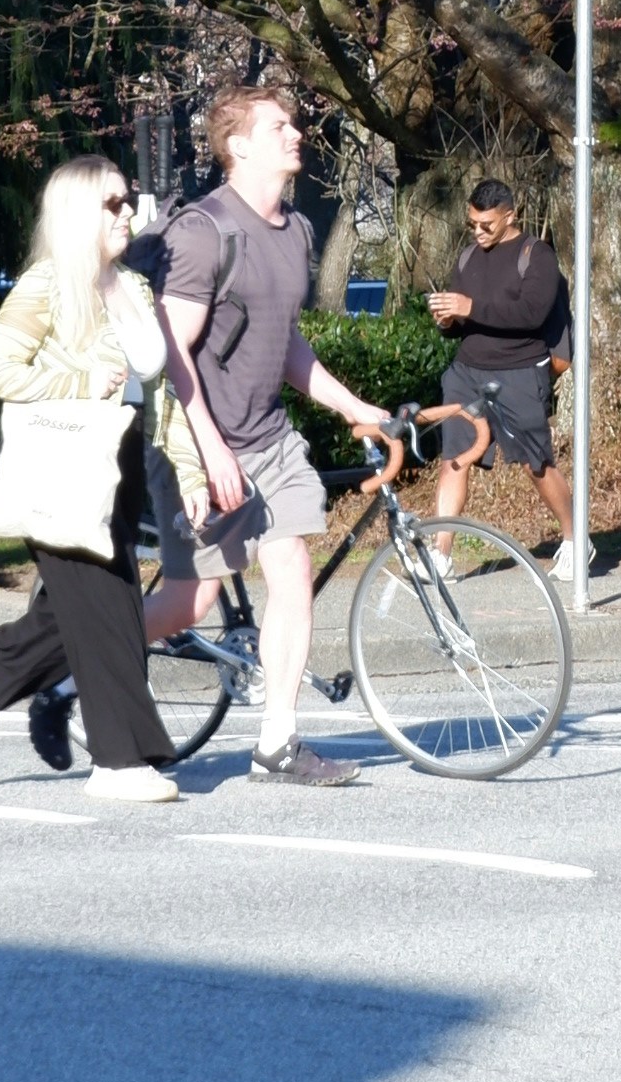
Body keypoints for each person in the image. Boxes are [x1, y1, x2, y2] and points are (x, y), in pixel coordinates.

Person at [145, 85, 402, 788]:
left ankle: (278, 742)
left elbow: (286, 346)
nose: (296, 134)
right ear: (239, 146)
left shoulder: (295, 233)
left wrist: (355, 407)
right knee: (186, 605)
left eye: (293, 122)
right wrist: (211, 450)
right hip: (200, 443)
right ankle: (82, 658)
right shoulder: (202, 233)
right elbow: (172, 354)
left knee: (291, 568)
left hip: (270, 435)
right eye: (279, 126)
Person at [0, 159, 185, 803]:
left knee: (66, 618)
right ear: (77, 213)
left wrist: (184, 469)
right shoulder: (47, 285)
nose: (127, 211)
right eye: (112, 203)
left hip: (122, 466)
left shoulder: (135, 286)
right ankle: (119, 762)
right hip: (65, 465)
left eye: (128, 200)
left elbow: (160, 389)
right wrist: (76, 383)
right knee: (110, 613)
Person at [427, 174, 579, 576]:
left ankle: (574, 540)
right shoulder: (467, 258)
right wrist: (446, 319)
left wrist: (469, 306)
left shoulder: (537, 255)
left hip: (519, 371)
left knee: (536, 463)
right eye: (471, 224)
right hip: (467, 372)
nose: (478, 232)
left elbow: (531, 314)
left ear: (510, 215)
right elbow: (462, 320)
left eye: (486, 224)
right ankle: (440, 554)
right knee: (454, 460)